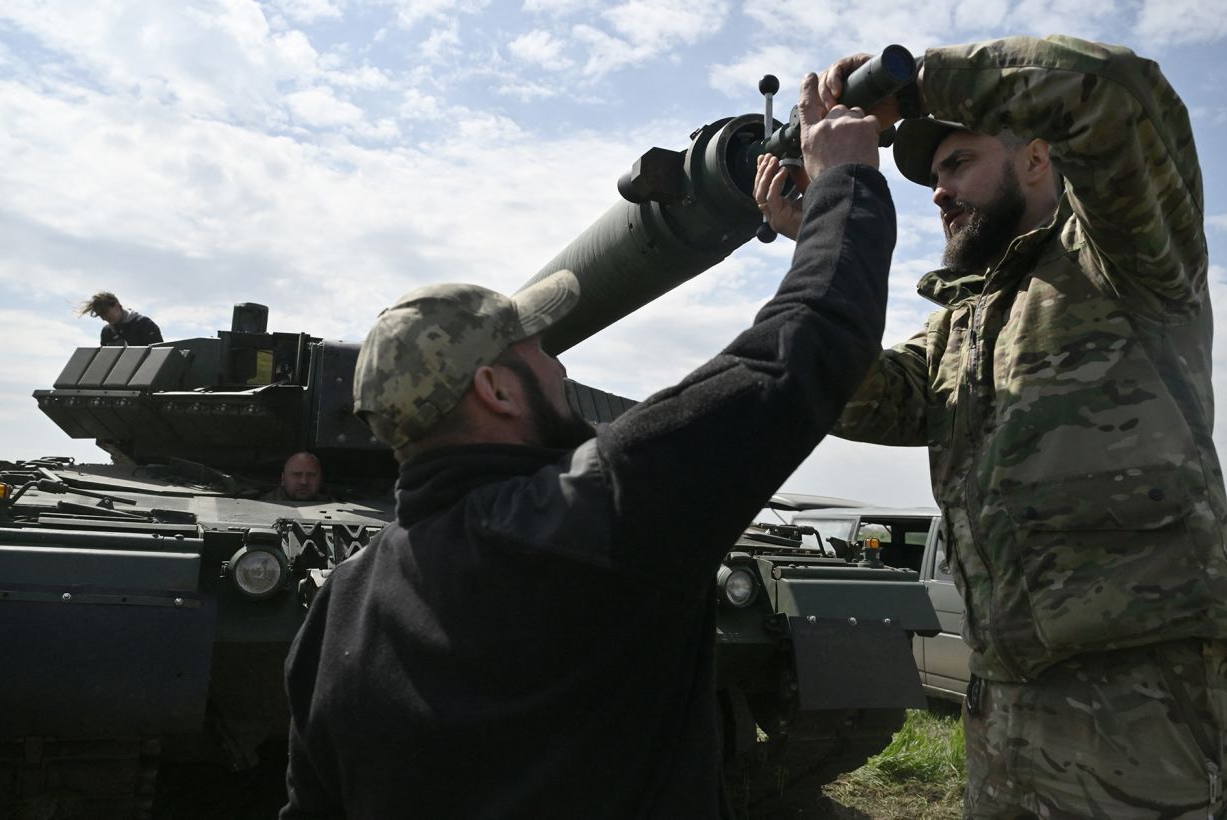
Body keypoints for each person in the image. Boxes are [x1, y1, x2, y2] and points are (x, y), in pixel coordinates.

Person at [280, 74, 895, 820]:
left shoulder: (340, 608)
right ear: (496, 391)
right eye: (539, 350)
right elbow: (805, 345)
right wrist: (847, 179)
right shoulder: (594, 509)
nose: (561, 365)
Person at [754, 35, 1227, 818]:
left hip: (1145, 710)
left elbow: (1120, 93)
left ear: (1036, 159)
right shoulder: (964, 325)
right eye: (931, 175)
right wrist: (821, 232)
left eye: (956, 163)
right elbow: (841, 391)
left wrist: (917, 87)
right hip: (1006, 711)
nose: (937, 191)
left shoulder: (1123, 260)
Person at [78, 291, 163, 346]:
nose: (104, 319)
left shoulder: (144, 324)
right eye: (101, 315)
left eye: (105, 313)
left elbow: (160, 357)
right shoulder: (107, 332)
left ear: (116, 306)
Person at [263, 452, 329, 502]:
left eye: (311, 475)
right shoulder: (264, 505)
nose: (304, 482)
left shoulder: (332, 505)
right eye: (297, 475)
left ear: (320, 479)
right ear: (283, 479)